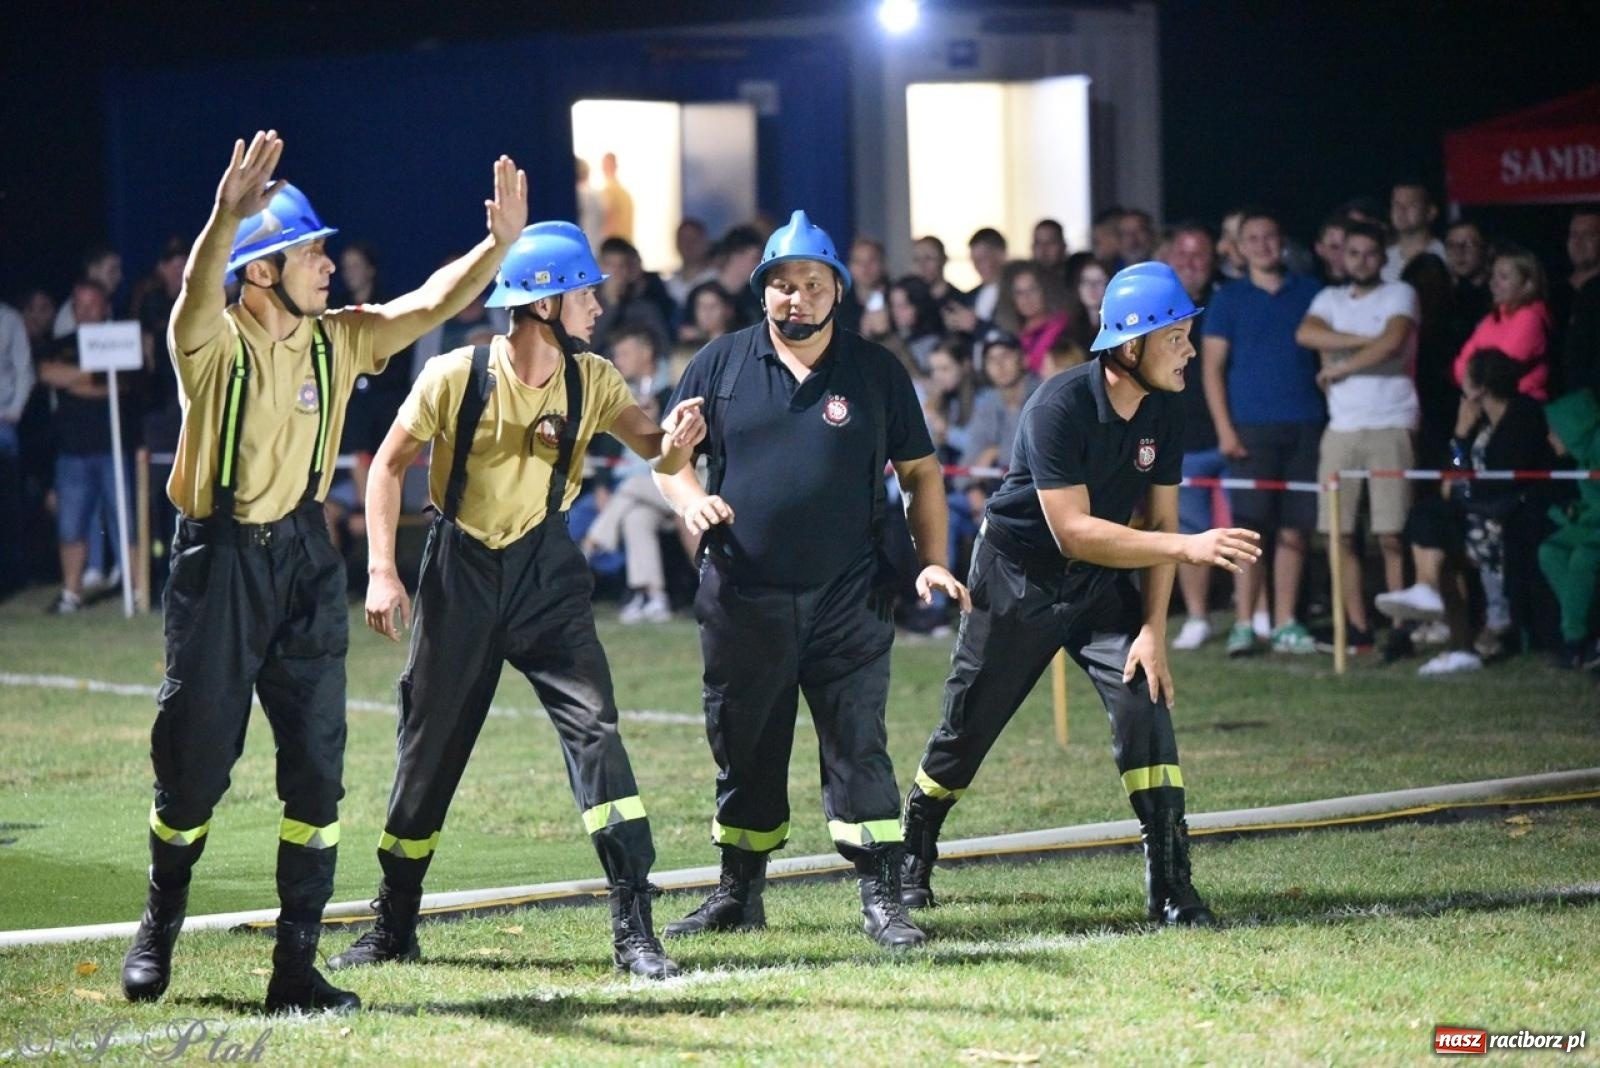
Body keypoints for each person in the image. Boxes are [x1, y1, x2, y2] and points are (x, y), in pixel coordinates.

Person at [120, 131, 526, 1014]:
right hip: (218, 563)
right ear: (261, 270)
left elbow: (426, 307)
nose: (330, 264)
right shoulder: (212, 342)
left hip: (305, 560)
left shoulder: (334, 342)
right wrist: (226, 217)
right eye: (311, 251)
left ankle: (295, 967)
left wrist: (498, 249)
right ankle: (161, 924)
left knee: (318, 769)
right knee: (192, 767)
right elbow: (194, 291)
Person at [328, 221, 705, 979]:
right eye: (584, 291)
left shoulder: (591, 378)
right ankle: (394, 921)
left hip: (547, 573)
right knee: (426, 753)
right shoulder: (454, 375)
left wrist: (680, 440)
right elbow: (386, 467)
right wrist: (380, 568)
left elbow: (651, 446)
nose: (597, 304)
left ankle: (634, 925)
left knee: (596, 732)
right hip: (458, 571)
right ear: (542, 303)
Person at [900, 262, 1261, 924]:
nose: (1189, 349)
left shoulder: (1166, 410)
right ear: (1131, 346)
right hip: (1015, 580)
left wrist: (1154, 628)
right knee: (965, 732)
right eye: (1176, 336)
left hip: (1100, 585)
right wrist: (1186, 549)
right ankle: (913, 852)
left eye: (1188, 334)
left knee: (1143, 705)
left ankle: (1171, 887)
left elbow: (1156, 522)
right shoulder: (1057, 405)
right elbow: (1072, 532)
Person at [653, 209, 968, 949]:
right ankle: (738, 892)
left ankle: (882, 898)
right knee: (744, 741)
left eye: (813, 284)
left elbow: (922, 472)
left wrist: (932, 559)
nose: (797, 298)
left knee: (858, 742)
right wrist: (693, 499)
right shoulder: (717, 364)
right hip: (741, 594)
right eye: (783, 285)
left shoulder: (875, 371)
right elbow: (668, 462)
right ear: (762, 291)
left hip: (848, 595)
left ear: (838, 291)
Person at [1201, 209, 1325, 656]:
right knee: (1248, 530)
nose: (1262, 245)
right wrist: (1225, 430)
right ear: (1239, 246)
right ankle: (1244, 623)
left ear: (1281, 240)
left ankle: (1286, 621)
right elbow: (1212, 369)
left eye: (1269, 236)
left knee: (1295, 528)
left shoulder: (1311, 292)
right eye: (1252, 238)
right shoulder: (1228, 299)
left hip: (1305, 423)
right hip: (1250, 428)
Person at [1296, 221, 1420, 652]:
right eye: (1354, 253)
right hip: (1341, 428)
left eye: (1370, 252)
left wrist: (1339, 365)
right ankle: (1358, 627)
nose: (1362, 260)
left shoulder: (1401, 293)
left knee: (1391, 534)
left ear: (1383, 256)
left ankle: (1403, 626)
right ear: (1341, 256)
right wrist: (1365, 339)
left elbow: (1394, 342)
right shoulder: (1328, 298)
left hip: (1390, 422)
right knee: (1337, 533)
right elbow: (1306, 333)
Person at [38, 280, 143, 613]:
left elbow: (121, 384)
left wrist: (80, 379)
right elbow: (49, 374)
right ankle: (72, 592)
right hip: (72, 452)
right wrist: (95, 373)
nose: (85, 311)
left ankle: (138, 591)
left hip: (115, 449)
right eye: (78, 305)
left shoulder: (122, 340)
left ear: (105, 306)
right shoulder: (61, 343)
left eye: (91, 304)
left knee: (125, 521)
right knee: (71, 524)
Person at [1161, 224, 1226, 650]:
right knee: (1190, 533)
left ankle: (1256, 617)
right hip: (1183, 442)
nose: (1190, 264)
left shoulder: (1226, 303)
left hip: (1231, 437)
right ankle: (1198, 617)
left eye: (1198, 255)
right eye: (1181, 255)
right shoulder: (1157, 312)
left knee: (1246, 529)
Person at [1452, 245, 1552, 401]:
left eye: (1503, 277)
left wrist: (1473, 389)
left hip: (1522, 408)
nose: (1493, 283)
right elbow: (1462, 361)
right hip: (1488, 405)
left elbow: (1499, 369)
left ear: (1528, 284)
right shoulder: (1492, 318)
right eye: (1493, 276)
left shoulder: (1530, 319)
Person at [1382, 182, 1446, 283]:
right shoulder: (1383, 258)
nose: (1401, 210)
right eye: (1397, 204)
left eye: (1412, 204)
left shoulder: (1446, 255)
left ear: (1430, 212)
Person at [598, 152, 635, 242]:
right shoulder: (626, 194)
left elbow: (609, 224)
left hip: (613, 248)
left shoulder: (608, 191)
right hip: (627, 246)